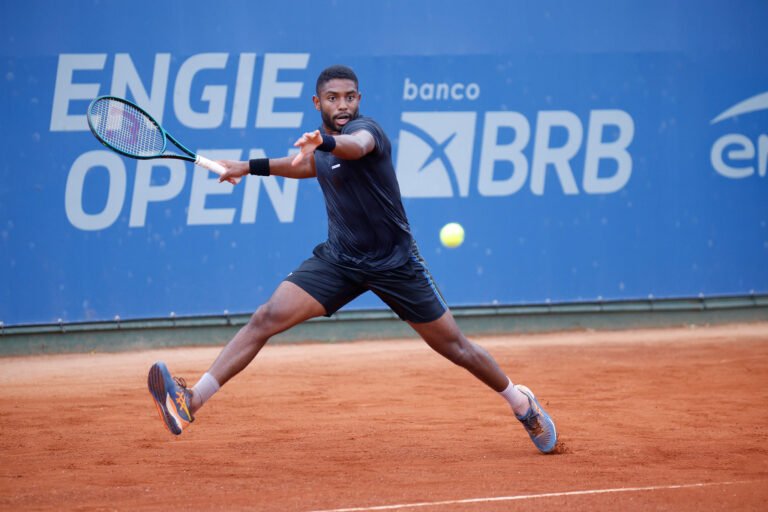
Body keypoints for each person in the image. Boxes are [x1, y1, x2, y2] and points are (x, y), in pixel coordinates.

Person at [147, 65, 558, 454]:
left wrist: (324, 141)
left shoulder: (366, 133)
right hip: (341, 260)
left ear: (359, 99)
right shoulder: (321, 148)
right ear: (317, 102)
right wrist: (247, 166)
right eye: (332, 98)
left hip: (395, 264)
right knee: (266, 317)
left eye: (348, 97)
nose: (342, 105)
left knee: (456, 348)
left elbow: (353, 148)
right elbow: (305, 166)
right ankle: (191, 400)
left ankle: (521, 402)